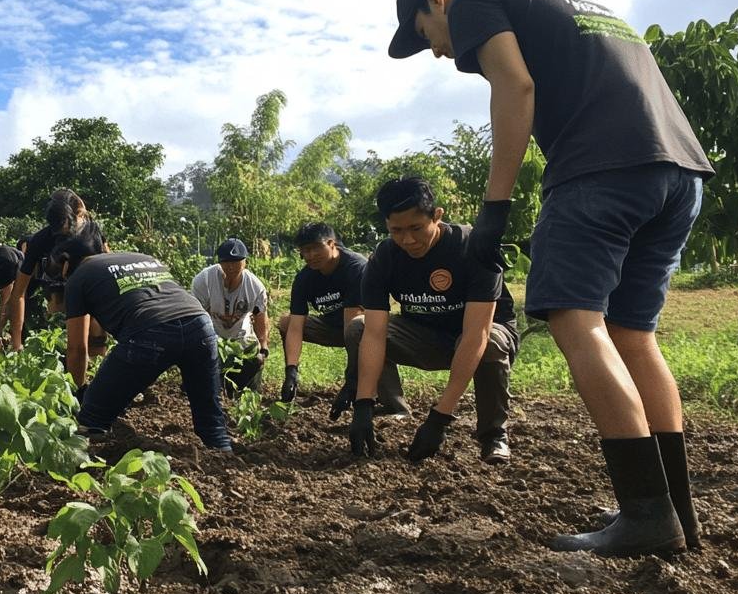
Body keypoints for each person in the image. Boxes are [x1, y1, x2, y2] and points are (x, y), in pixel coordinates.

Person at [388, 0, 714, 556]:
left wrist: (495, 208)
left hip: (602, 168)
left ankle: (646, 514)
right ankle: (676, 513)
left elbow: (516, 87)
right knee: (633, 334)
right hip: (678, 172)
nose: (435, 52)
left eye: (425, 33)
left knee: (575, 321)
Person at [345, 177, 519, 462]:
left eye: (416, 228)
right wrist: (363, 403)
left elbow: (477, 334)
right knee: (359, 327)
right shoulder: (385, 257)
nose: (408, 240)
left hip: (481, 335)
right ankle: (389, 404)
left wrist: (439, 419)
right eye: (396, 231)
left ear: (437, 216)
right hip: (425, 335)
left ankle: (494, 435)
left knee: (489, 342)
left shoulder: (473, 246)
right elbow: (375, 333)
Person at [51, 233, 234, 452]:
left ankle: (88, 467)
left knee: (93, 417)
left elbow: (77, 349)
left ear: (66, 263)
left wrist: (79, 393)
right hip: (200, 325)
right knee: (211, 424)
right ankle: (224, 459)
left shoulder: (78, 277)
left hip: (150, 332)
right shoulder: (140, 257)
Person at [277, 223, 408, 416]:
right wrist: (291, 371)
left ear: (331, 244)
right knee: (286, 323)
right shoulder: (304, 278)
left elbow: (352, 322)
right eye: (305, 251)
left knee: (362, 332)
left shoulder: (355, 267)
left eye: (315, 248)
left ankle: (393, 404)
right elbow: (296, 326)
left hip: (362, 327)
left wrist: (351, 382)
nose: (310, 255)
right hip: (331, 327)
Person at [0, 188, 106, 350]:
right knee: (60, 324)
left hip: (89, 286)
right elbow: (19, 293)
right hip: (57, 287)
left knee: (95, 328)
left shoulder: (91, 232)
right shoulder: (40, 241)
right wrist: (16, 343)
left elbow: (108, 264)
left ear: (78, 214)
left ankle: (94, 363)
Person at [191, 238, 270, 393]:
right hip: (212, 337)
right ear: (219, 262)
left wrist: (263, 348)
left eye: (236, 262)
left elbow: (260, 317)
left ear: (245, 262)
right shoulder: (204, 281)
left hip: (242, 339)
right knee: (205, 383)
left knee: (250, 376)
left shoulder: (255, 287)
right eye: (226, 262)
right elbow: (196, 316)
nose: (231, 266)